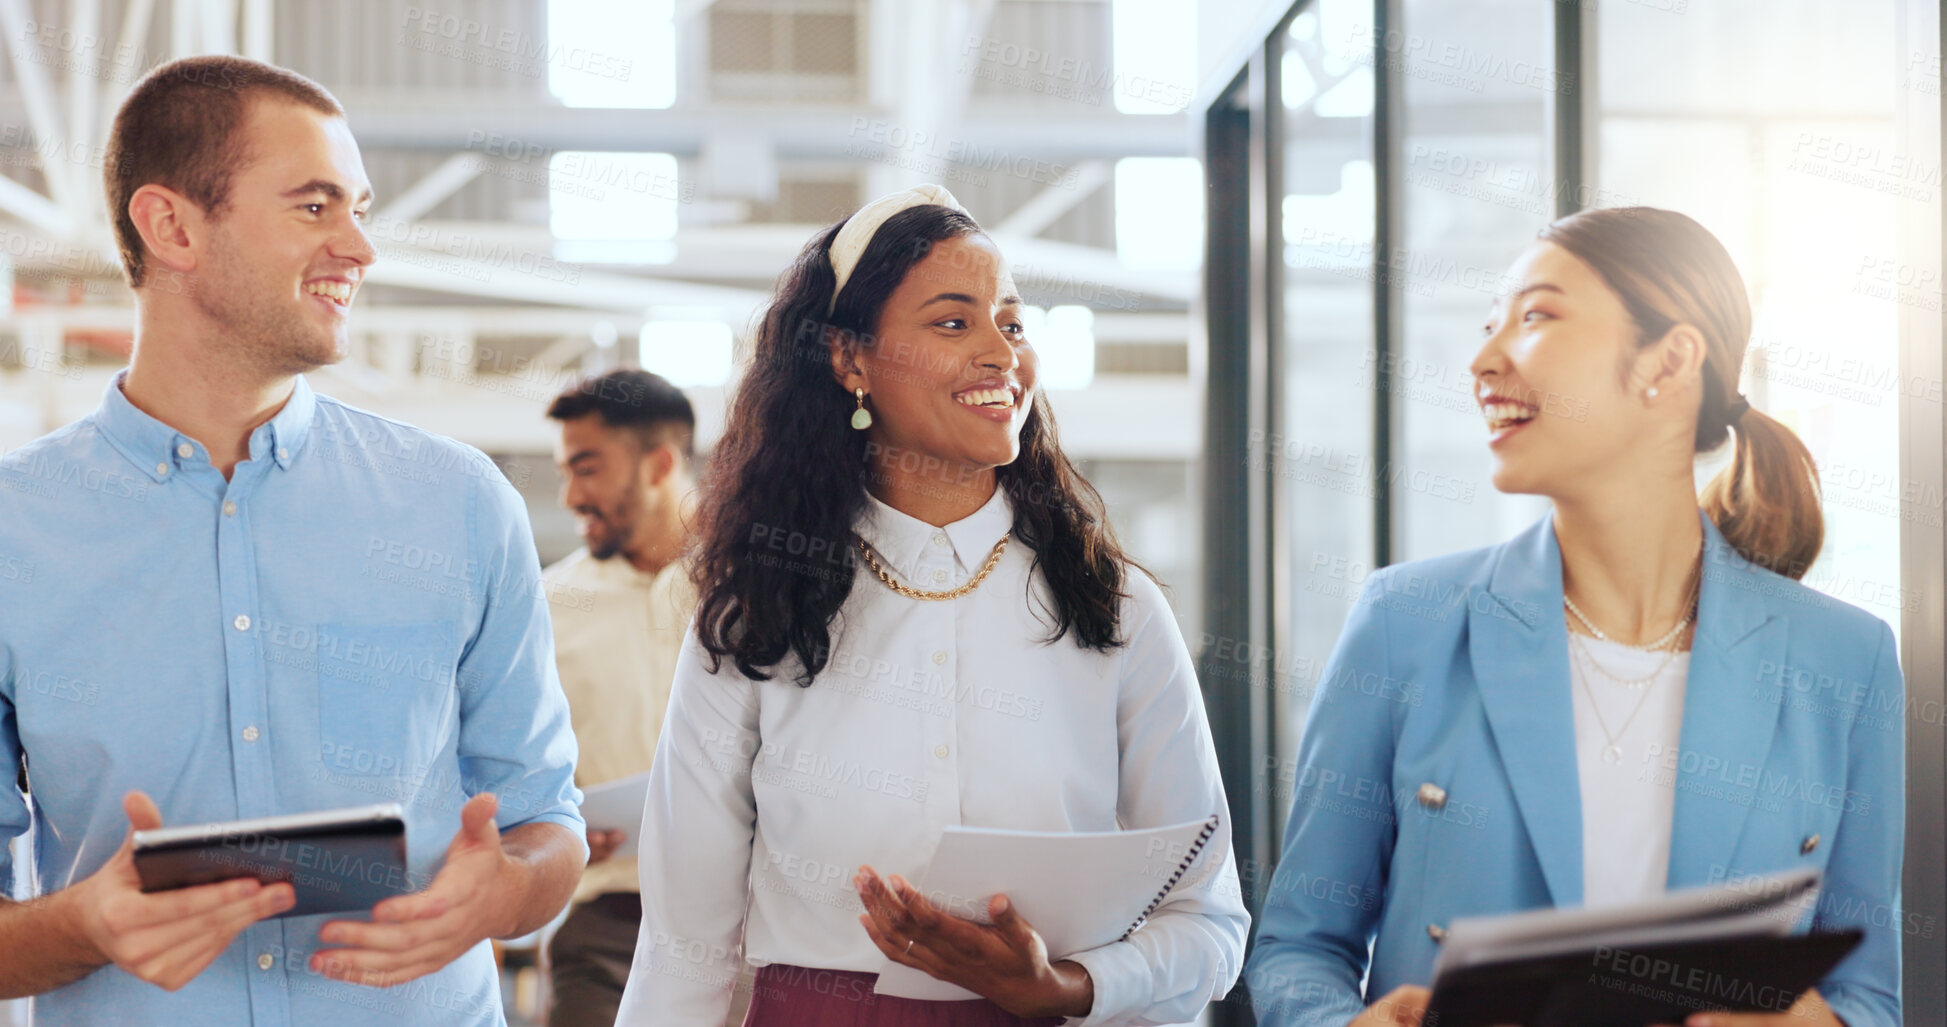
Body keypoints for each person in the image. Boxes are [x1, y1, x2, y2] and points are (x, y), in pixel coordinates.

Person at [0, 56, 588, 1024]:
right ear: (172, 226)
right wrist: (83, 924)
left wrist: (504, 891)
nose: (359, 245)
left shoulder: (461, 503)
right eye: (316, 207)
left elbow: (545, 821)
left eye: (357, 207)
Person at [1246, 207, 1904, 1027]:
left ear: (1667, 361)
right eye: (1491, 326)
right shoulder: (1402, 622)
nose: (1482, 361)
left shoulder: (1845, 660)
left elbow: (1869, 989)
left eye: (1535, 316)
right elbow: (1297, 949)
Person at [613, 185, 1248, 1026]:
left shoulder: (1114, 606)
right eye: (954, 323)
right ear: (849, 359)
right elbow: (683, 942)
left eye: (1013, 324)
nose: (1001, 353)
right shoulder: (753, 611)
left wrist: (1068, 987)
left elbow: (1209, 921)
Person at [540, 369, 706, 1026]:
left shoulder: (760, 583)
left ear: (660, 464)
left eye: (587, 468)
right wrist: (554, 824)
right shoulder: (544, 606)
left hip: (755, 914)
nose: (570, 495)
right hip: (609, 922)